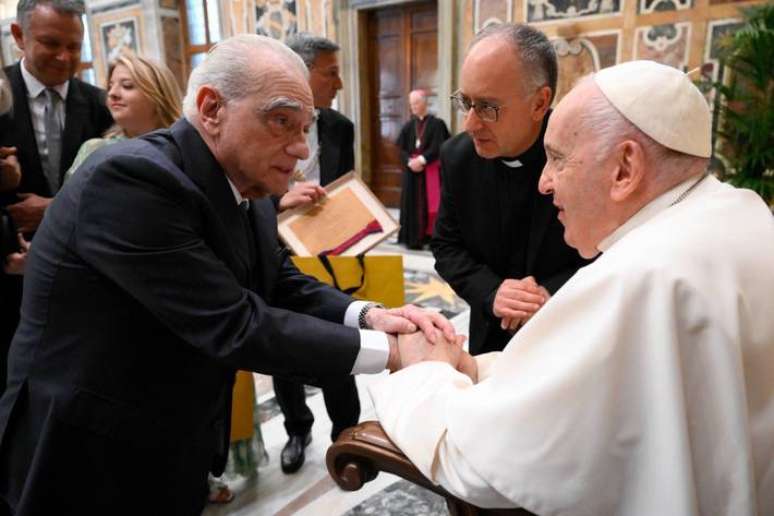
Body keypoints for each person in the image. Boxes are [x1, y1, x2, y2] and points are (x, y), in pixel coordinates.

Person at [0, 34, 457, 515]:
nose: (302, 149)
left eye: (305, 128)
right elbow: (235, 324)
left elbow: (278, 282)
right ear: (211, 108)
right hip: (87, 454)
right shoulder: (131, 180)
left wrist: (368, 317)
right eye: (282, 122)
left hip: (170, 437)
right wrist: (395, 352)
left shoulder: (248, 183)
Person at [371, 60, 774, 515]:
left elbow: (481, 462)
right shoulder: (741, 210)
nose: (545, 181)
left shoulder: (640, 275)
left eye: (559, 159)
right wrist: (477, 368)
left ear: (625, 168)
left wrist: (425, 373)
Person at [431, 23, 588, 356]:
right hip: (490, 335)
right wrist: (492, 291)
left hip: (570, 334)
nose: (470, 124)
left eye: (487, 107)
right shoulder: (457, 156)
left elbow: (610, 249)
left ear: (539, 103)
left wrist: (548, 294)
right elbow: (447, 246)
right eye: (466, 102)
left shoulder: (586, 155)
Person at [0, 0, 113, 393]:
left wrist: (53, 210)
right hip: (9, 280)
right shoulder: (0, 94)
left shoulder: (102, 105)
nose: (65, 58)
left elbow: (121, 195)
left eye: (75, 46)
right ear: (19, 36)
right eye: (51, 43)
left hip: (81, 285)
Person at [272, 32, 360, 475]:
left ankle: (347, 432)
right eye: (331, 72)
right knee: (282, 345)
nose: (339, 83)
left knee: (338, 338)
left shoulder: (341, 127)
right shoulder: (266, 122)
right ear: (303, 72)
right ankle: (296, 428)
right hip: (276, 250)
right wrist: (283, 199)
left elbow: (346, 186)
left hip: (329, 251)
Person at [64, 51, 182, 182]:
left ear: (158, 96)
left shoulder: (183, 148)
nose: (112, 93)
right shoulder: (95, 149)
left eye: (127, 86)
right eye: (110, 86)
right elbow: (71, 201)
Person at [396, 89, 449, 250]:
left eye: (416, 103)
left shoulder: (437, 124)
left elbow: (440, 146)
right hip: (412, 173)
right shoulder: (408, 126)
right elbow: (400, 148)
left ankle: (430, 237)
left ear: (425, 103)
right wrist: (409, 161)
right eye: (411, 104)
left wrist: (422, 159)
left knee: (431, 205)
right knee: (411, 204)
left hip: (430, 172)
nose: (413, 107)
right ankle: (412, 238)